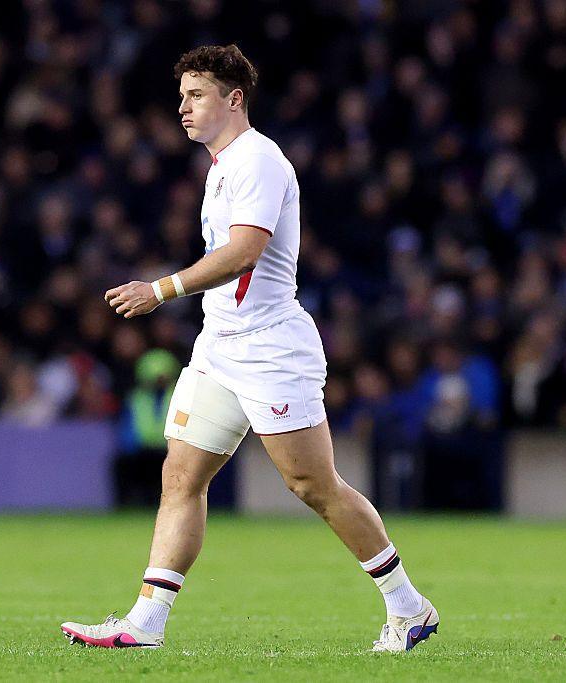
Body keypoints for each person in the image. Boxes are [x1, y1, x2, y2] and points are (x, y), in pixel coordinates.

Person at [60, 45, 439, 653]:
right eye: (181, 95)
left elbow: (244, 251)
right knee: (181, 475)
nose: (181, 107)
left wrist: (161, 289)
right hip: (220, 346)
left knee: (313, 485)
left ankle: (408, 605)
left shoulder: (259, 160)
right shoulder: (221, 166)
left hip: (272, 350)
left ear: (233, 99)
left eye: (196, 95)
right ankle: (146, 622)